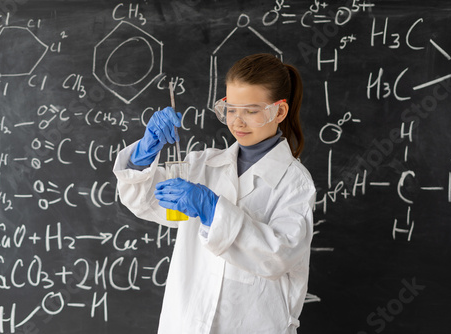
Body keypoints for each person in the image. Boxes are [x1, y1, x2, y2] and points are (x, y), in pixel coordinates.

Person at [113, 53, 316, 334]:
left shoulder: (295, 182)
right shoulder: (202, 165)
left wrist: (212, 210)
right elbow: (144, 201)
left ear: (279, 112)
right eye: (231, 109)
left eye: (251, 111)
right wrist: (143, 154)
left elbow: (278, 257)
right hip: (185, 323)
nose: (238, 122)